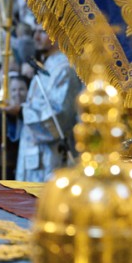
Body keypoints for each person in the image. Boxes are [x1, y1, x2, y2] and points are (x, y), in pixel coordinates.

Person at [15, 27, 83, 182]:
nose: (36, 37)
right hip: (35, 151)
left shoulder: (65, 69)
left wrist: (21, 112)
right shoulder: (46, 65)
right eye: (35, 32)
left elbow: (60, 117)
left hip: (53, 156)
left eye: (43, 32)